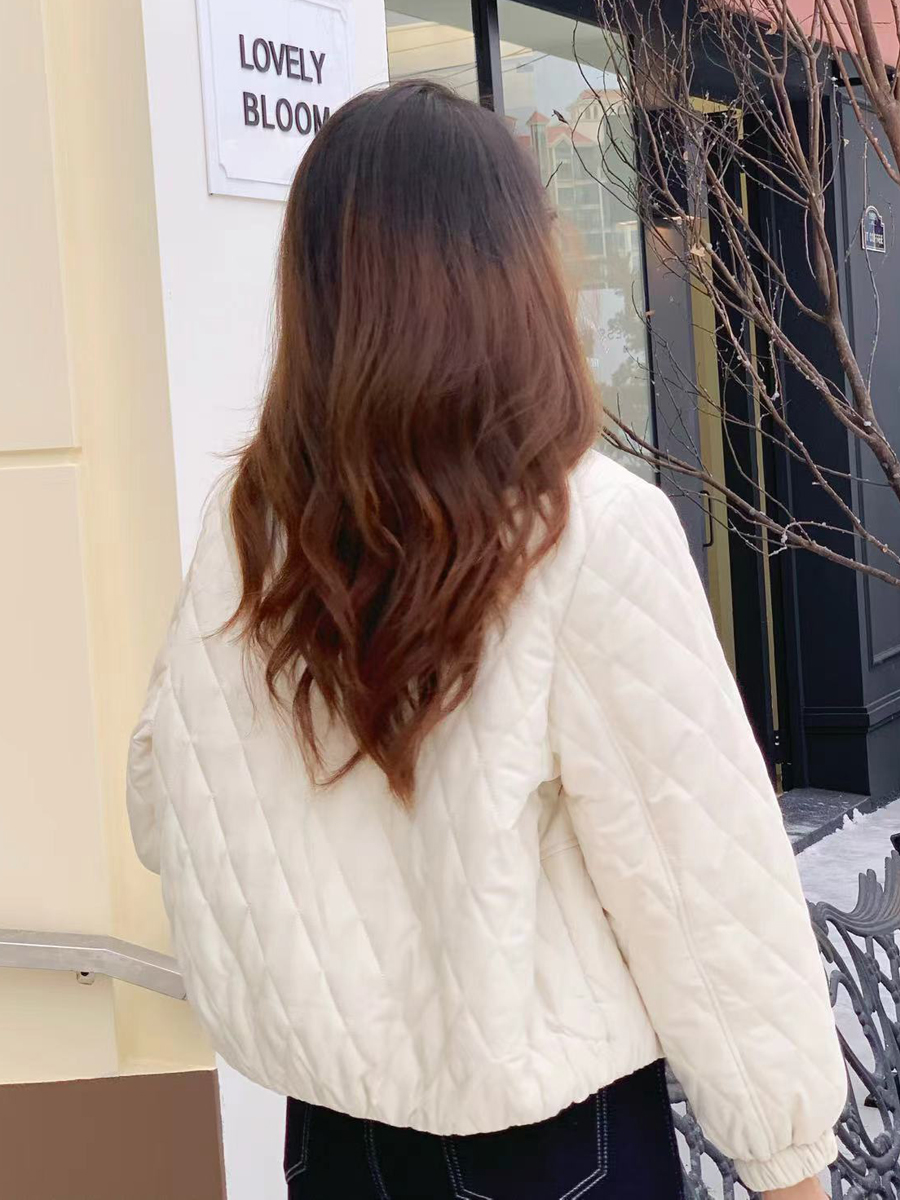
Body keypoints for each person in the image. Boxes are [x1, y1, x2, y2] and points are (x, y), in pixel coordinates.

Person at [127, 80, 845, 1199]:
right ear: (508, 273)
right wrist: (791, 1162)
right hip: (551, 1147)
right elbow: (704, 884)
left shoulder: (254, 528)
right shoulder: (588, 529)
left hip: (334, 1140)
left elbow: (164, 807)